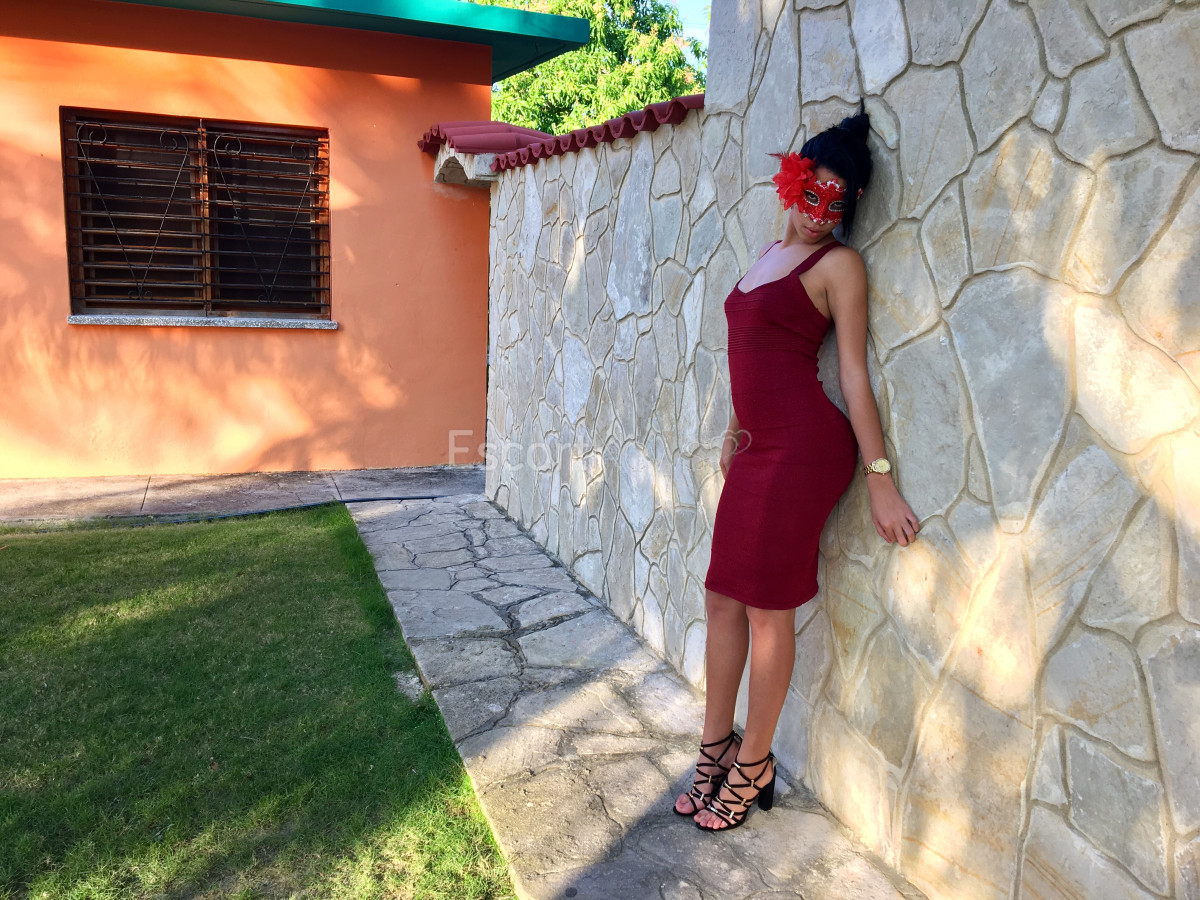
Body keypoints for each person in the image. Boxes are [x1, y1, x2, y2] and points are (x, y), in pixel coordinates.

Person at [673, 109, 919, 831]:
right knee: (721, 599)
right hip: (758, 448)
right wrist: (733, 430)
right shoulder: (764, 255)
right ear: (791, 182)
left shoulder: (839, 267)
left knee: (765, 609)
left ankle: (755, 763)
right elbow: (751, 362)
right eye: (811, 195)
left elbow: (852, 374)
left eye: (835, 205)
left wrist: (879, 476)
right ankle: (714, 750)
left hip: (806, 449)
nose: (819, 214)